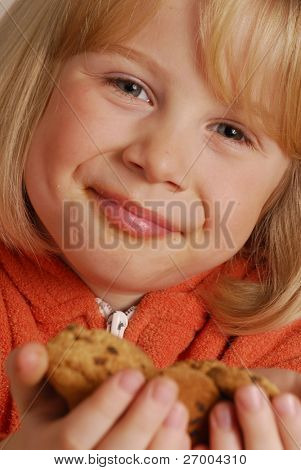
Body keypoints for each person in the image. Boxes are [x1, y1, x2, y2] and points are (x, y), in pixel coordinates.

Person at [0, 0, 300, 450]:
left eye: (231, 132)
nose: (160, 161)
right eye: (129, 87)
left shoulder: (283, 355)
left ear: (280, 192)